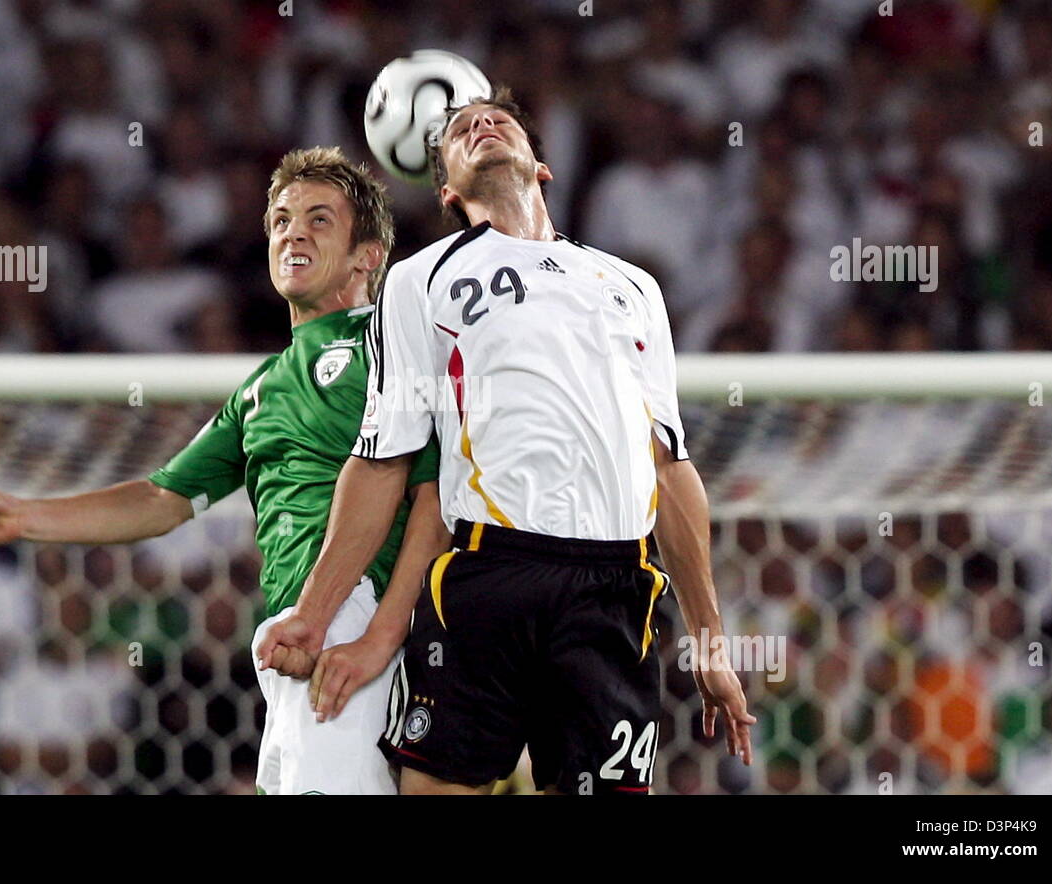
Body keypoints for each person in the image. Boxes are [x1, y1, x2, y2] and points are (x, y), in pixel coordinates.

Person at [258, 89, 754, 794]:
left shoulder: (633, 287)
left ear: (541, 167)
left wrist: (709, 642)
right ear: (449, 190)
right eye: (461, 130)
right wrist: (312, 613)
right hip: (488, 573)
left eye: (498, 120)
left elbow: (670, 469)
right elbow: (381, 461)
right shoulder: (418, 281)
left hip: (615, 590)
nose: (482, 125)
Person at [0, 146, 449, 795]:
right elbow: (162, 499)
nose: (292, 231)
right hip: (301, 637)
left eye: (319, 219)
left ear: (368, 255)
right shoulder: (263, 387)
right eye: (280, 220)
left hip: (351, 628)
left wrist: (376, 635)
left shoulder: (386, 344)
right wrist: (27, 517)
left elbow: (434, 500)